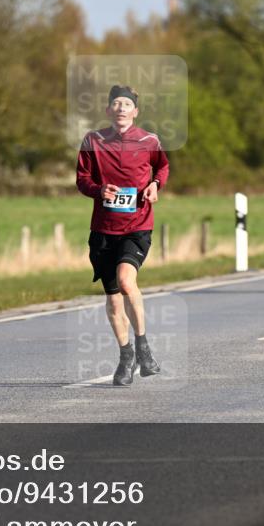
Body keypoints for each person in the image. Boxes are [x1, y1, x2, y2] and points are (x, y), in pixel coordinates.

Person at [76, 85, 169, 387]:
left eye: (126, 103)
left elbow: (162, 167)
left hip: (137, 226)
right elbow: (82, 178)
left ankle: (143, 346)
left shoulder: (149, 140)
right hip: (103, 230)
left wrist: (156, 184)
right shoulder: (93, 140)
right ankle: (126, 355)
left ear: (135, 111)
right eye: (115, 103)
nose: (121, 108)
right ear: (108, 110)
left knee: (128, 282)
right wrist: (98, 190)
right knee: (114, 301)